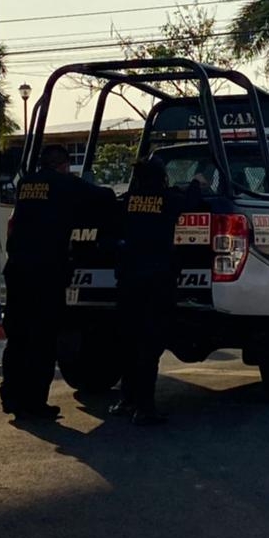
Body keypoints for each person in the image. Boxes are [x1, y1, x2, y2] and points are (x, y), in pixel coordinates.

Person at [0, 143, 117, 420]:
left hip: (16, 269)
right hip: (45, 273)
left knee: (17, 337)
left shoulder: (26, 184)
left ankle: (12, 398)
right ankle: (35, 404)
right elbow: (105, 197)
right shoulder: (64, 184)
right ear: (63, 165)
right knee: (42, 339)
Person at [111, 157, 194, 426]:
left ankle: (127, 399)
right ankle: (145, 408)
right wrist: (196, 184)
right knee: (150, 345)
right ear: (162, 178)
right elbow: (193, 201)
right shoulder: (169, 200)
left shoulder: (127, 202)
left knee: (128, 342)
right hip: (158, 282)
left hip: (127, 282)